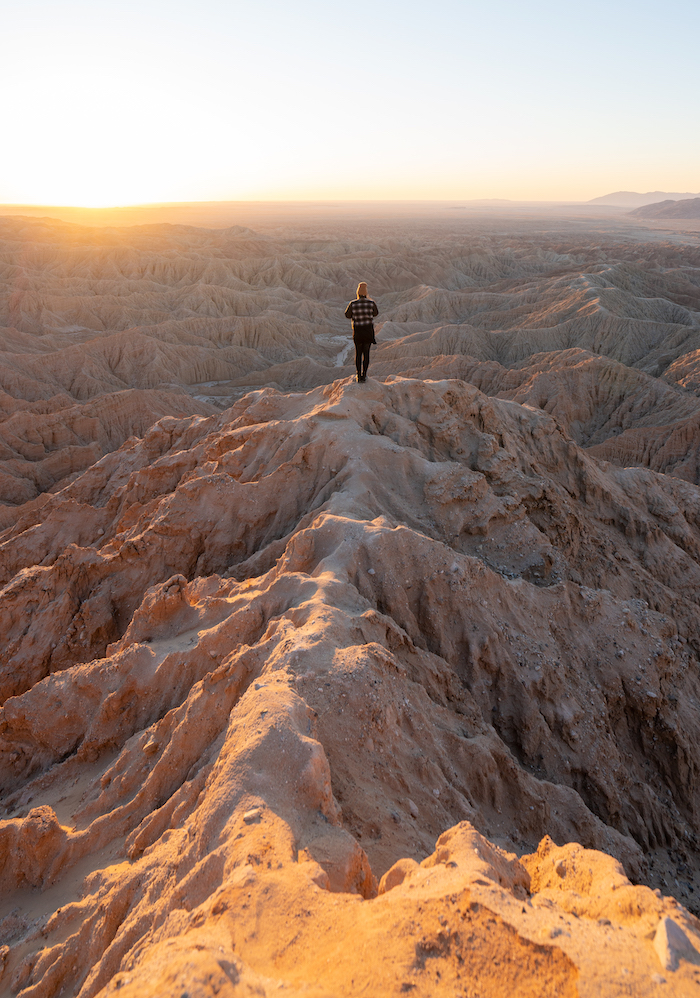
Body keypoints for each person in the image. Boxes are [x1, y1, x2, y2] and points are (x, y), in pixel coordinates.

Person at [345, 281, 378, 382]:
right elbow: (376, 313)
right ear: (366, 292)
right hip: (368, 331)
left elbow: (347, 315)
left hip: (358, 332)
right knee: (366, 353)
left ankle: (358, 375)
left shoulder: (353, 304)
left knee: (358, 353)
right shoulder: (371, 303)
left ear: (358, 293)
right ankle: (364, 375)